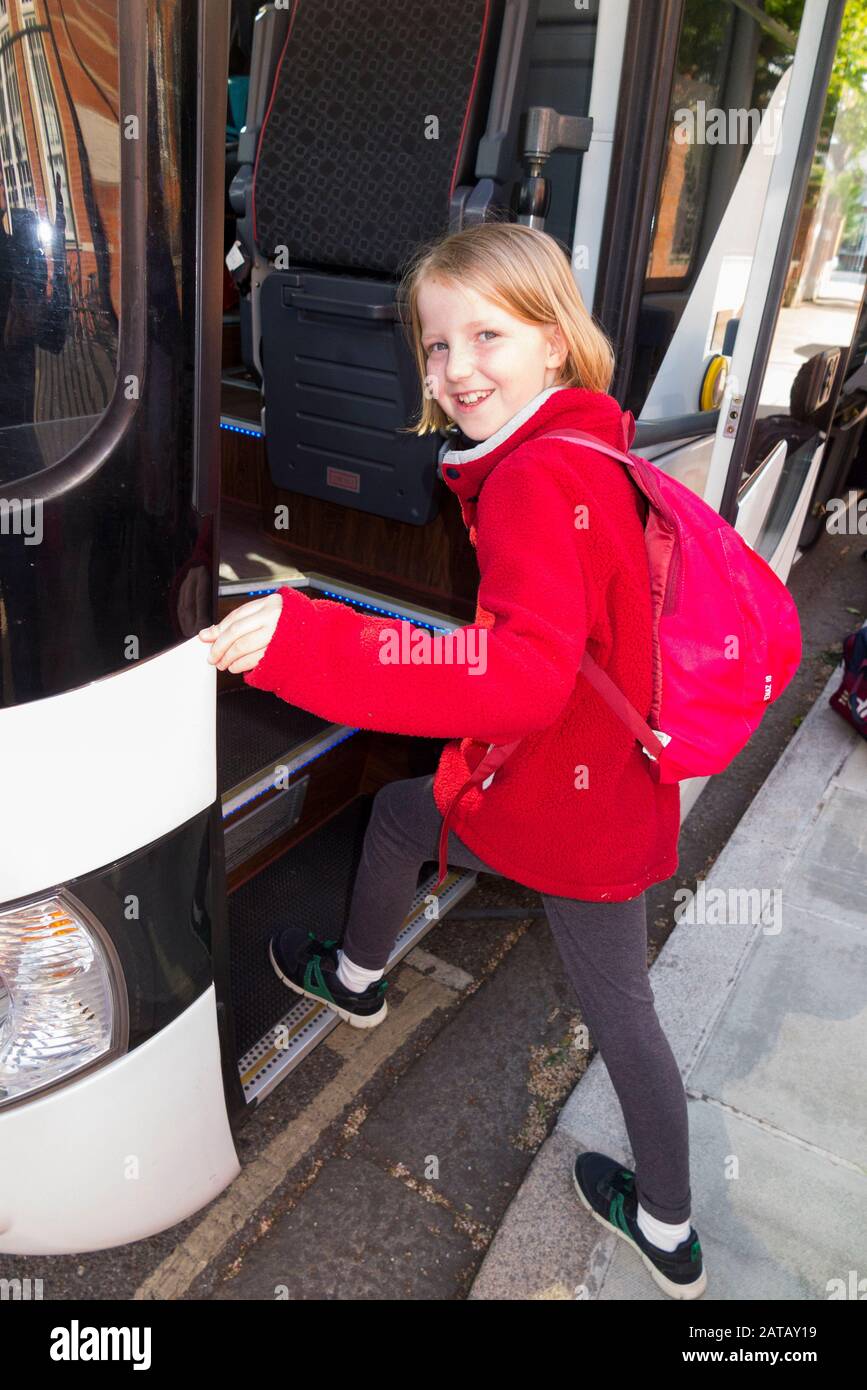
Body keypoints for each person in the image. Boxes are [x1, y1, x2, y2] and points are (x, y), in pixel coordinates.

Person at [198, 221, 706, 1299]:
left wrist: (309, 637)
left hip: (564, 797)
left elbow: (516, 675)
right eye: (435, 346)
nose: (457, 368)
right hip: (578, 774)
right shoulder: (584, 446)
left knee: (620, 1011)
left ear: (555, 342)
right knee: (399, 819)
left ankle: (667, 1227)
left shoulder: (529, 482)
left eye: (488, 335)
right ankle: (360, 977)